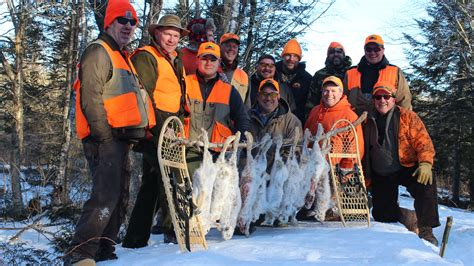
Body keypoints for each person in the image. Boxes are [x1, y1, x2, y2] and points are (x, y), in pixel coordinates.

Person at [66, 0, 155, 265]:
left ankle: (104, 248)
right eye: (122, 21)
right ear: (109, 22)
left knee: (119, 195)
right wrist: (103, 136)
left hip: (121, 139)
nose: (128, 26)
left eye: (133, 22)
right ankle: (80, 253)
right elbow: (90, 98)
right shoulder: (98, 51)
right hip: (104, 138)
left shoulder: (121, 55)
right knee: (105, 194)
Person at [121, 14, 188, 248]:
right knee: (169, 179)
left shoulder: (174, 59)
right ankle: (174, 232)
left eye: (176, 35)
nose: (171, 39)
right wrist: (154, 129)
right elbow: (142, 96)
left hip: (171, 128)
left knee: (151, 183)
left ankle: (135, 238)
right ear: (157, 33)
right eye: (168, 34)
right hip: (155, 128)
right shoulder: (147, 57)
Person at [363, 81, 440, 246]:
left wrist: (425, 163)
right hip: (381, 172)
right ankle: (408, 217)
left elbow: (424, 142)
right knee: (384, 216)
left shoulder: (407, 116)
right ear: (373, 100)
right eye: (377, 97)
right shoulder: (366, 120)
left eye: (386, 96)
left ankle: (426, 230)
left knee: (426, 182)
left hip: (406, 166)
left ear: (393, 99)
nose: (382, 100)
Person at [299, 76, 364, 221]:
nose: (329, 94)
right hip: (312, 165)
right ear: (321, 92)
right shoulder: (316, 111)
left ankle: (329, 209)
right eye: (326, 91)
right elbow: (307, 135)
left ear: (341, 93)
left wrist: (345, 172)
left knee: (327, 192)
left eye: (333, 91)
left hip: (335, 168)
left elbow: (356, 149)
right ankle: (308, 208)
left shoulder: (349, 115)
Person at [184, 41, 250, 177]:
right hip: (189, 148)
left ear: (219, 62)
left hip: (219, 152)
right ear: (197, 60)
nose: (208, 63)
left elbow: (242, 118)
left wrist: (241, 141)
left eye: (213, 59)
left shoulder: (229, 90)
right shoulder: (185, 84)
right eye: (204, 58)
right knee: (194, 183)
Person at [343, 34, 412, 115]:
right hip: (355, 122)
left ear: (383, 50)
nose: (372, 52)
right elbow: (342, 101)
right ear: (364, 50)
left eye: (376, 49)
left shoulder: (395, 71)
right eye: (369, 49)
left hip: (385, 123)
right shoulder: (350, 72)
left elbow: (404, 101)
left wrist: (404, 121)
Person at [305, 42, 352, 119]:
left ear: (344, 54)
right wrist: (309, 119)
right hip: (323, 117)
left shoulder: (351, 72)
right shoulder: (319, 75)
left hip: (347, 117)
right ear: (327, 56)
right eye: (332, 52)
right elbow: (311, 101)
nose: (335, 54)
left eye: (339, 52)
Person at [276, 38, 312, 123]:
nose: (291, 59)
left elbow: (310, 105)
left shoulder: (307, 79)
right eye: (288, 55)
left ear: (299, 59)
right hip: (275, 122)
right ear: (283, 56)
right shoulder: (273, 74)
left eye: (295, 56)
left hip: (297, 123)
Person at [219, 33, 249, 103]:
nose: (231, 49)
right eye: (228, 45)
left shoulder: (243, 76)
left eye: (235, 46)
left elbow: (247, 107)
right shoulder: (211, 70)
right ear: (220, 47)